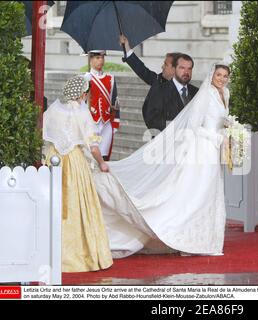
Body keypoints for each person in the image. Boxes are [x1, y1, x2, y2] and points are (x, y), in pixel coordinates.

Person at [92, 63, 231, 258]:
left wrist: (230, 134)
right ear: (212, 75)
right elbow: (193, 126)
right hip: (202, 150)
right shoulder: (206, 94)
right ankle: (182, 236)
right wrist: (217, 138)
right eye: (219, 75)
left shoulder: (225, 94)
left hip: (213, 152)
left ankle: (204, 238)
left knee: (208, 193)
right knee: (196, 193)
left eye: (225, 76)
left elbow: (221, 121)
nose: (222, 79)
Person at [42, 75, 113, 272]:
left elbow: (43, 135)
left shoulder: (54, 109)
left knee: (52, 204)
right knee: (77, 205)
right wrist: (101, 163)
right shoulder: (81, 113)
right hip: (74, 163)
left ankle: (49, 253)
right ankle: (81, 256)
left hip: (52, 160)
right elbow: (92, 144)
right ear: (82, 94)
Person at [119, 34, 181, 131]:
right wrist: (127, 47)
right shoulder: (159, 81)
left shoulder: (186, 92)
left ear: (174, 69)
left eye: (165, 64)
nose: (162, 67)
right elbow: (143, 71)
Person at [145, 53, 199, 134]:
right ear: (174, 69)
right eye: (182, 68)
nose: (186, 72)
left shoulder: (196, 92)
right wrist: (178, 128)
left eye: (189, 69)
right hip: (166, 142)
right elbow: (151, 119)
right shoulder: (159, 90)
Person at [85, 50, 120, 161]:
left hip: (106, 123)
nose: (101, 60)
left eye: (102, 57)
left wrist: (115, 124)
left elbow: (115, 102)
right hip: (90, 123)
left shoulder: (110, 78)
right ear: (90, 59)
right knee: (91, 156)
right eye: (97, 58)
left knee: (104, 157)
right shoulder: (85, 78)